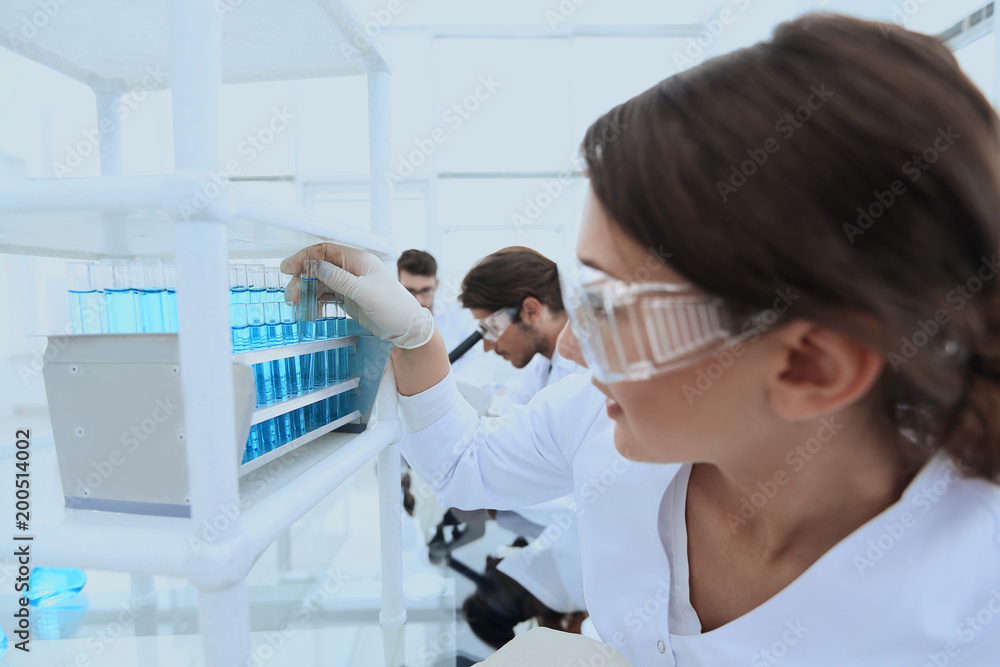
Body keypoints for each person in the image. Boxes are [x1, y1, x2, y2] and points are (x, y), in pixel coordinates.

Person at [282, 13, 1000, 665]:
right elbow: (465, 464)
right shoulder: (607, 421)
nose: (575, 346)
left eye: (616, 309)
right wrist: (413, 336)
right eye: (582, 294)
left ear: (812, 365)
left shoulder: (970, 610)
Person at [461, 247, 583, 408]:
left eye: (492, 329)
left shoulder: (586, 370)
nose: (487, 347)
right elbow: (517, 404)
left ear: (530, 311)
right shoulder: (543, 364)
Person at [396, 249, 488, 381]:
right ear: (398, 285)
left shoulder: (461, 316)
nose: (418, 300)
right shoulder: (386, 322)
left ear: (437, 284)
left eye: (425, 290)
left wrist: (444, 388)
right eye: (410, 291)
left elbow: (480, 364)